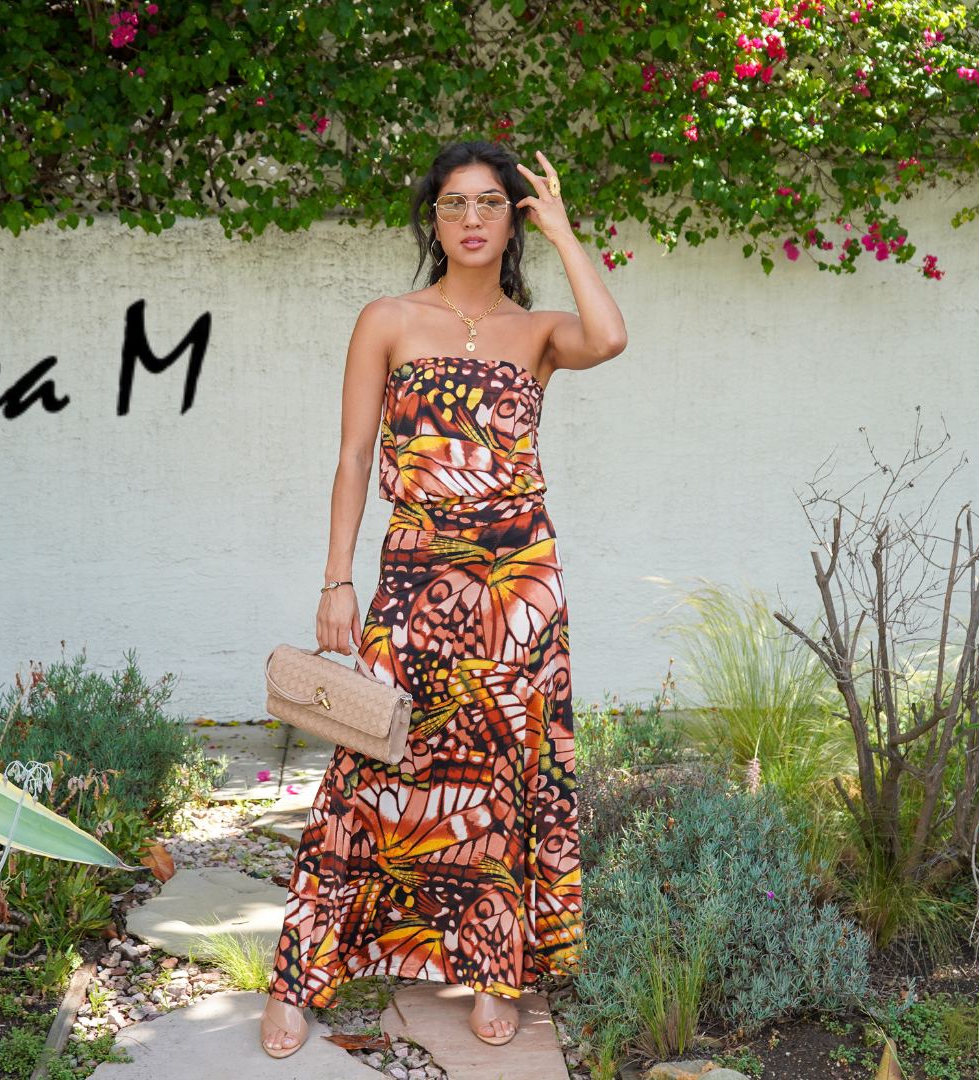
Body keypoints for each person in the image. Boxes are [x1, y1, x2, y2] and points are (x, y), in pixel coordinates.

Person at [260, 140, 628, 1058]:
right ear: (433, 218)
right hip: (415, 574)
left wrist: (565, 230)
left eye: (490, 203)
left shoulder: (538, 333)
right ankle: (301, 977)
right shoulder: (389, 319)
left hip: (519, 583)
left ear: (513, 221)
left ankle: (496, 973)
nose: (471, 218)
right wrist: (338, 579)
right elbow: (354, 456)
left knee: (502, 771)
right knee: (371, 767)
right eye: (455, 202)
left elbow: (611, 338)